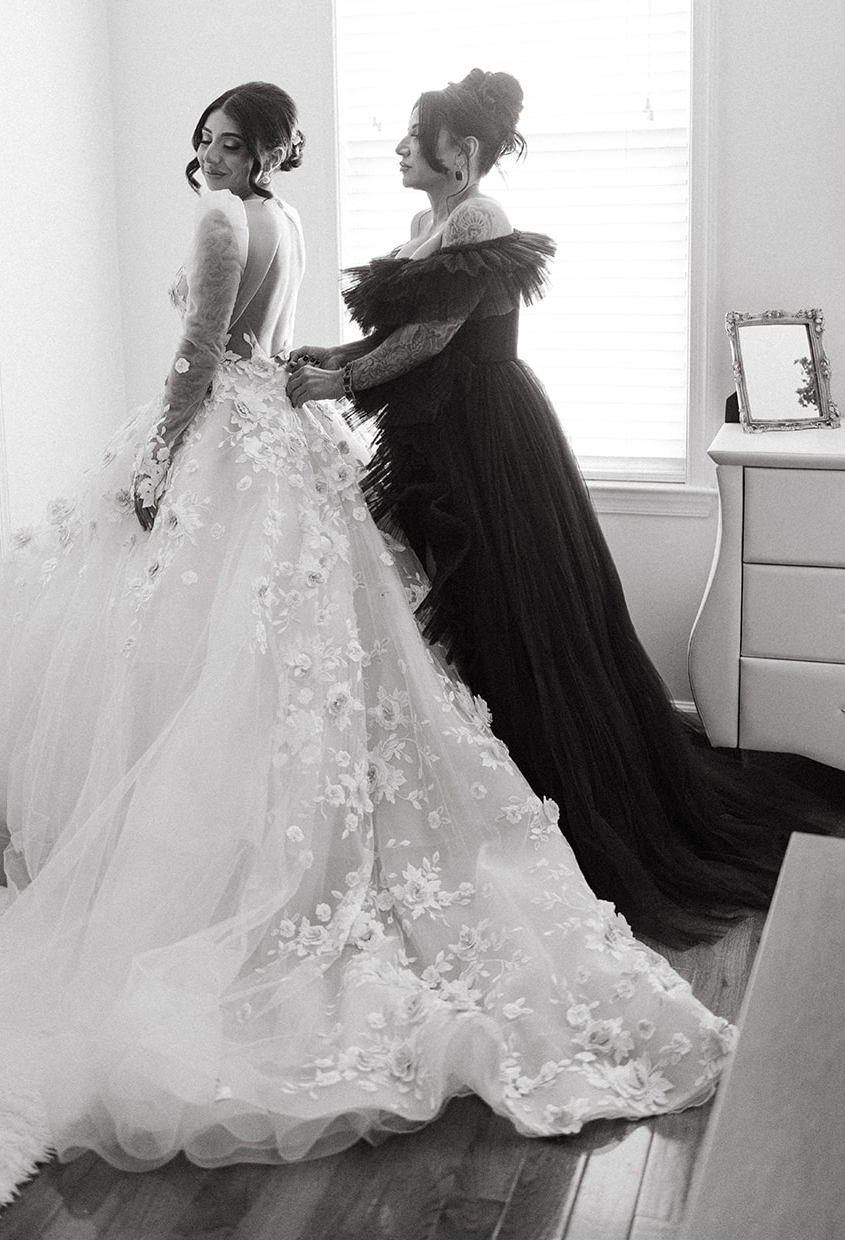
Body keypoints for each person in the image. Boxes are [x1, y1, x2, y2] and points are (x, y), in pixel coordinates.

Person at [0, 81, 734, 1173]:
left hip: (393, 434)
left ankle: (218, 852)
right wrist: (314, 376)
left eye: (230, 141)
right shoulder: (297, 218)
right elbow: (341, 336)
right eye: (203, 137)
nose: (209, 155)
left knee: (232, 637)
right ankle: (241, 828)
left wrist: (192, 442)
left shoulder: (260, 220)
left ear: (268, 153)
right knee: (289, 648)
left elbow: (215, 354)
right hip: (302, 421)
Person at [287, 66, 830, 948]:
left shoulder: (478, 218)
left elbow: (432, 337)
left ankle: (541, 791)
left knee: (505, 609)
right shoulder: (429, 222)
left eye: (410, 136)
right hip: (446, 433)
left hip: (489, 439)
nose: (394, 148)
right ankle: (470, 784)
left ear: (457, 153)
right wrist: (335, 351)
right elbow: (400, 333)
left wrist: (335, 382)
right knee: (455, 612)